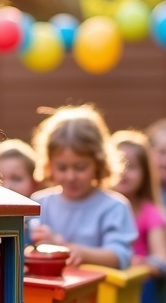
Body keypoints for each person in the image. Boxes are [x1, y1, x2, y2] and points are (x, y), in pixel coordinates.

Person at [30, 104, 137, 269]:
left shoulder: (114, 207)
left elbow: (120, 257)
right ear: (49, 165)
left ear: (99, 163)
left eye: (80, 167)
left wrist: (74, 251)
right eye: (62, 168)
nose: (71, 177)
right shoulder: (39, 204)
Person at [112, 129, 166, 273]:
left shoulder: (150, 212)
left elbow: (163, 259)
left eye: (131, 166)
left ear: (145, 174)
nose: (123, 172)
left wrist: (141, 264)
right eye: (118, 164)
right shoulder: (99, 208)